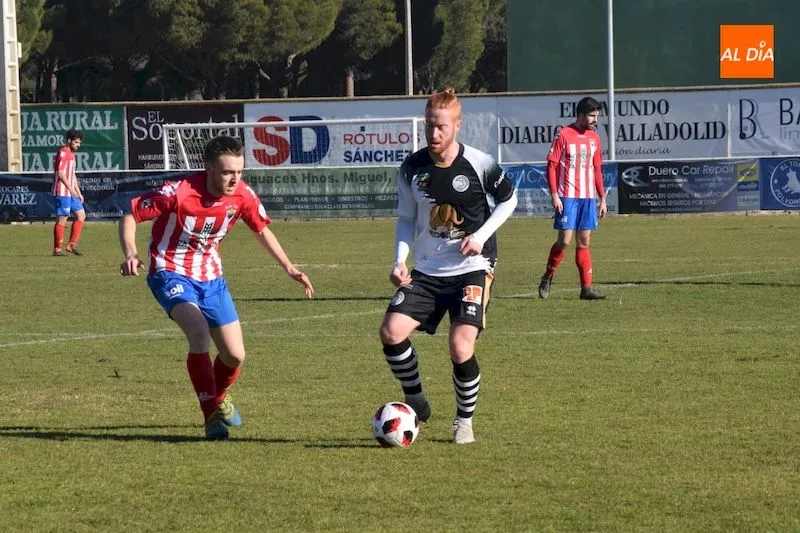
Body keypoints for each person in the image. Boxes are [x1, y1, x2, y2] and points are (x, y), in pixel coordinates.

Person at [118, 135, 314, 440]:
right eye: (226, 172)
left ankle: (219, 398)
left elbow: (261, 230)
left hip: (211, 278)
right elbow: (130, 215)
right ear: (208, 168)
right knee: (198, 333)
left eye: (239, 171)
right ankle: (210, 414)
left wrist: (288, 267)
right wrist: (130, 253)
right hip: (169, 272)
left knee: (235, 355)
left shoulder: (243, 195)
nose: (234, 178)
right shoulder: (178, 193)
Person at [378, 87, 518, 445]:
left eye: (441, 127)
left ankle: (464, 421)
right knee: (392, 332)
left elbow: (509, 200)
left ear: (457, 125)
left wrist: (481, 235)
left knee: (460, 346)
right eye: (429, 126)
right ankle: (416, 399)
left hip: (473, 266)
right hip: (426, 270)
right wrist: (399, 259)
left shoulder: (480, 163)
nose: (434, 134)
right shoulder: (412, 167)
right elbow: (406, 218)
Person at [538, 96, 608, 300]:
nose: (595, 119)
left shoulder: (594, 138)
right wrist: (554, 195)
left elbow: (597, 169)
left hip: (587, 197)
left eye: (597, 116)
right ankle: (547, 276)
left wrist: (602, 198)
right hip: (567, 197)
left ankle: (586, 288)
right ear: (581, 115)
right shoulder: (564, 135)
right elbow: (551, 165)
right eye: (592, 115)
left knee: (584, 242)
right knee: (564, 241)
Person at [52, 129, 86, 256]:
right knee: (62, 219)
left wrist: (78, 191)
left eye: (79, 143)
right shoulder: (63, 152)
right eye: (76, 142)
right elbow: (60, 173)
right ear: (69, 141)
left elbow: (72, 175)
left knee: (81, 215)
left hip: (71, 193)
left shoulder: (71, 155)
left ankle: (71, 245)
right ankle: (57, 250)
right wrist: (71, 189)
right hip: (62, 192)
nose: (78, 145)